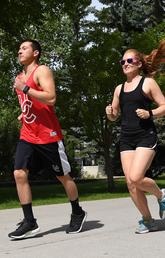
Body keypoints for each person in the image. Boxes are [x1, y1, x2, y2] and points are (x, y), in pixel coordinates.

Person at [8, 39, 87, 239]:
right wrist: (23, 113)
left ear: (35, 53)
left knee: (62, 176)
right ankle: (29, 221)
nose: (19, 51)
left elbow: (50, 98)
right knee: (19, 173)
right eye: (19, 49)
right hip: (28, 133)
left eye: (24, 48)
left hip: (47, 134)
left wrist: (25, 88)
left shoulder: (42, 70)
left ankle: (77, 212)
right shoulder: (19, 76)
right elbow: (30, 103)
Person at [105, 39, 165, 234]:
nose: (125, 64)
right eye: (122, 62)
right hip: (126, 138)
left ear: (139, 64)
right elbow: (114, 116)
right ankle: (148, 220)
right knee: (131, 183)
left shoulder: (148, 83)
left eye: (129, 60)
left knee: (137, 176)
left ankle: (161, 194)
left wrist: (151, 114)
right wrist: (109, 113)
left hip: (145, 136)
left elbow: (164, 106)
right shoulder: (118, 89)